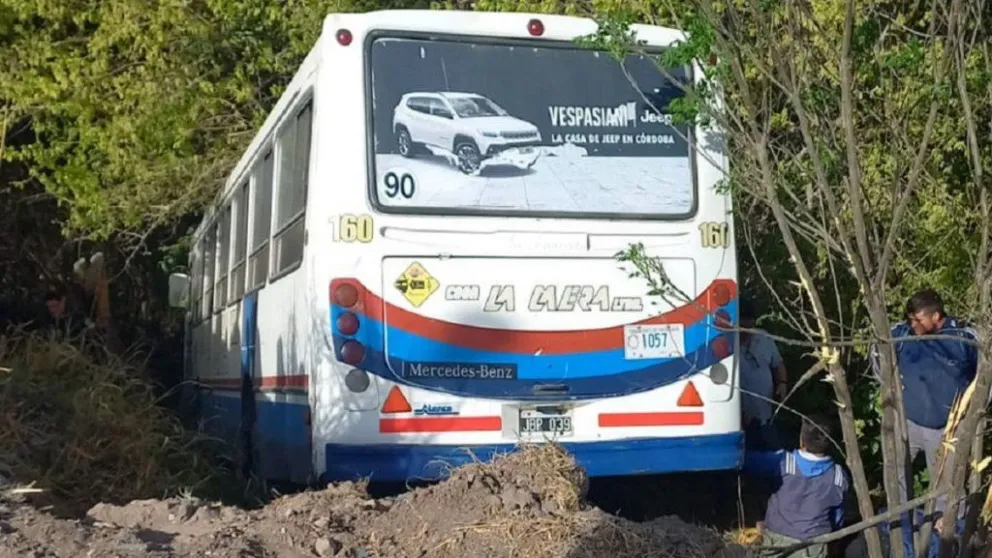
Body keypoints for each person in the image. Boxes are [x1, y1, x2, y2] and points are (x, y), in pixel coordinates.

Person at [870, 288, 978, 516]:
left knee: (946, 487)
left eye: (918, 320)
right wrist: (888, 385)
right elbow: (878, 354)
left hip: (947, 428)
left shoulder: (963, 339)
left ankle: (943, 533)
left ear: (936, 317)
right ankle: (898, 521)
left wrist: (974, 411)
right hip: (905, 420)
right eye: (910, 319)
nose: (913, 325)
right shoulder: (900, 334)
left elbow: (986, 374)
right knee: (895, 471)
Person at [744, 415, 849, 558]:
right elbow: (837, 518)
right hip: (814, 548)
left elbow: (745, 461)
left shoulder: (782, 462)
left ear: (801, 440)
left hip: (777, 545)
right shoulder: (838, 476)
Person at [739, 298, 790, 450]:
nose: (747, 329)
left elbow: (778, 364)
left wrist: (782, 384)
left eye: (750, 323)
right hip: (741, 419)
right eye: (743, 324)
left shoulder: (764, 337)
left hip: (766, 416)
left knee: (773, 453)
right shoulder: (726, 342)